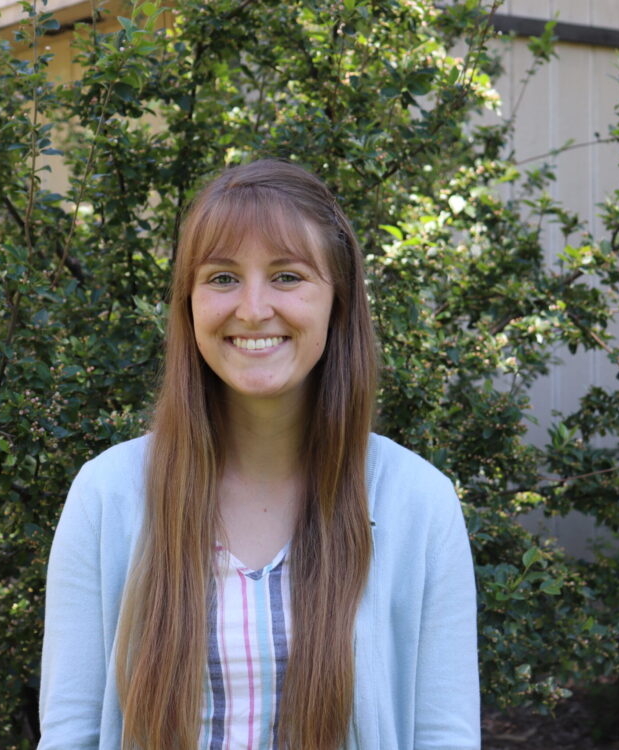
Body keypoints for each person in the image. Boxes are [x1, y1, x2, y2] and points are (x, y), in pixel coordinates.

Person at [37, 159, 480, 750]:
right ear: (189, 302)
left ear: (337, 301)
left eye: (287, 276)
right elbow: (71, 735)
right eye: (221, 278)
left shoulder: (419, 503)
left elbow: (444, 737)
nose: (251, 309)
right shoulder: (107, 495)